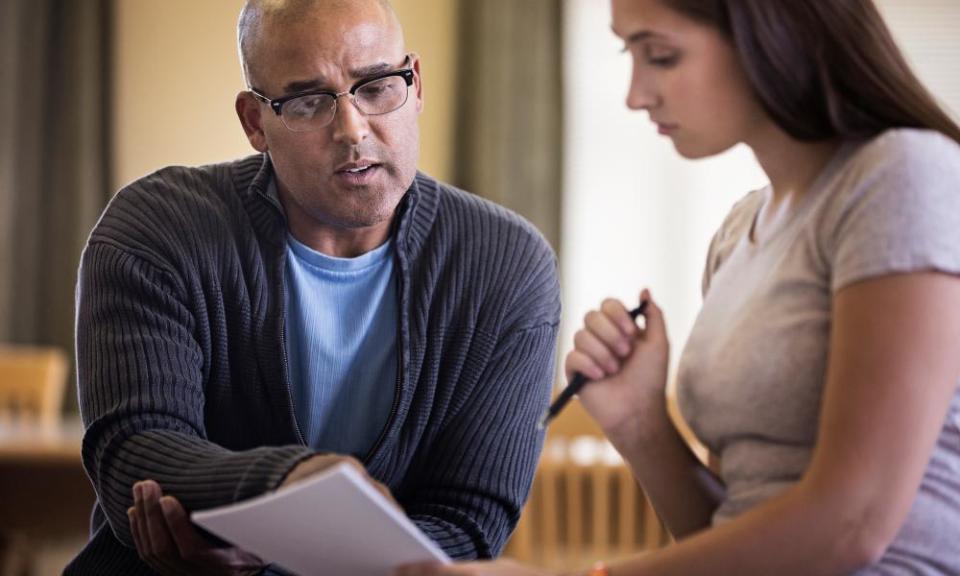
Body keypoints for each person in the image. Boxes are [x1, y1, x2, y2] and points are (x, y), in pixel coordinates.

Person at [395, 0, 960, 575]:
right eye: (629, 53)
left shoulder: (902, 176)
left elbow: (853, 522)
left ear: (769, 34)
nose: (636, 95)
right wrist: (641, 423)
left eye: (660, 55)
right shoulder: (740, 233)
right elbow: (731, 540)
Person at [65, 0, 561, 573]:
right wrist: (288, 485)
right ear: (255, 122)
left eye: (376, 87)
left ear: (415, 84)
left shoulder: (506, 265)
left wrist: (279, 546)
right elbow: (134, 451)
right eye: (307, 101)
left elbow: (468, 524)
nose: (352, 129)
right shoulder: (157, 229)